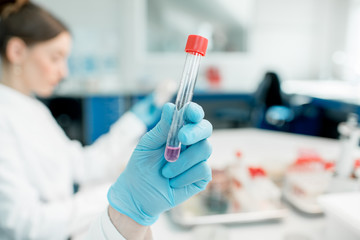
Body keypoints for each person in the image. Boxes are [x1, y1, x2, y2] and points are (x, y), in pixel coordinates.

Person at [0, 0, 213, 239]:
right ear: (17, 51)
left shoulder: (31, 108)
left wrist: (133, 122)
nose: (64, 72)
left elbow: (80, 164)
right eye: (55, 57)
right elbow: (22, 223)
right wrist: (120, 193)